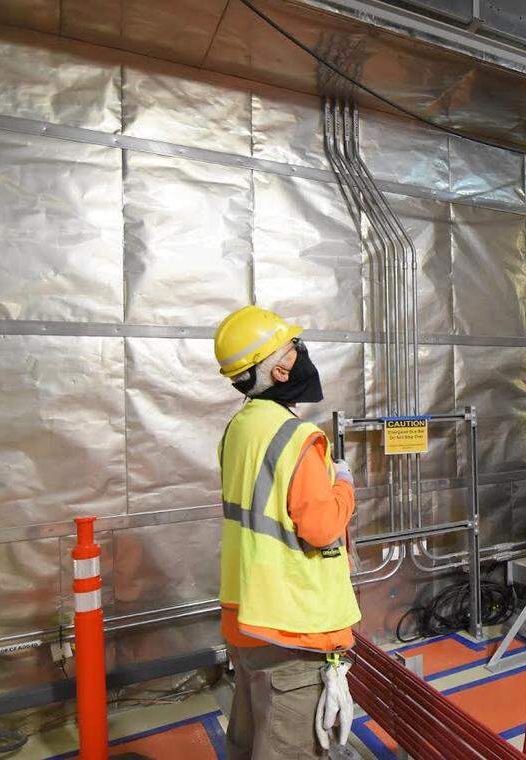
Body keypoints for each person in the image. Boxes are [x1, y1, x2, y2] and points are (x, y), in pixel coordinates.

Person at [213, 305, 360, 759]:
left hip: (248, 618)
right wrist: (344, 484)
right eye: (294, 347)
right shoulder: (298, 438)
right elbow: (320, 528)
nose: (302, 353)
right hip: (292, 628)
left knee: (249, 735)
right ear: (279, 370)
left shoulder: (240, 427)